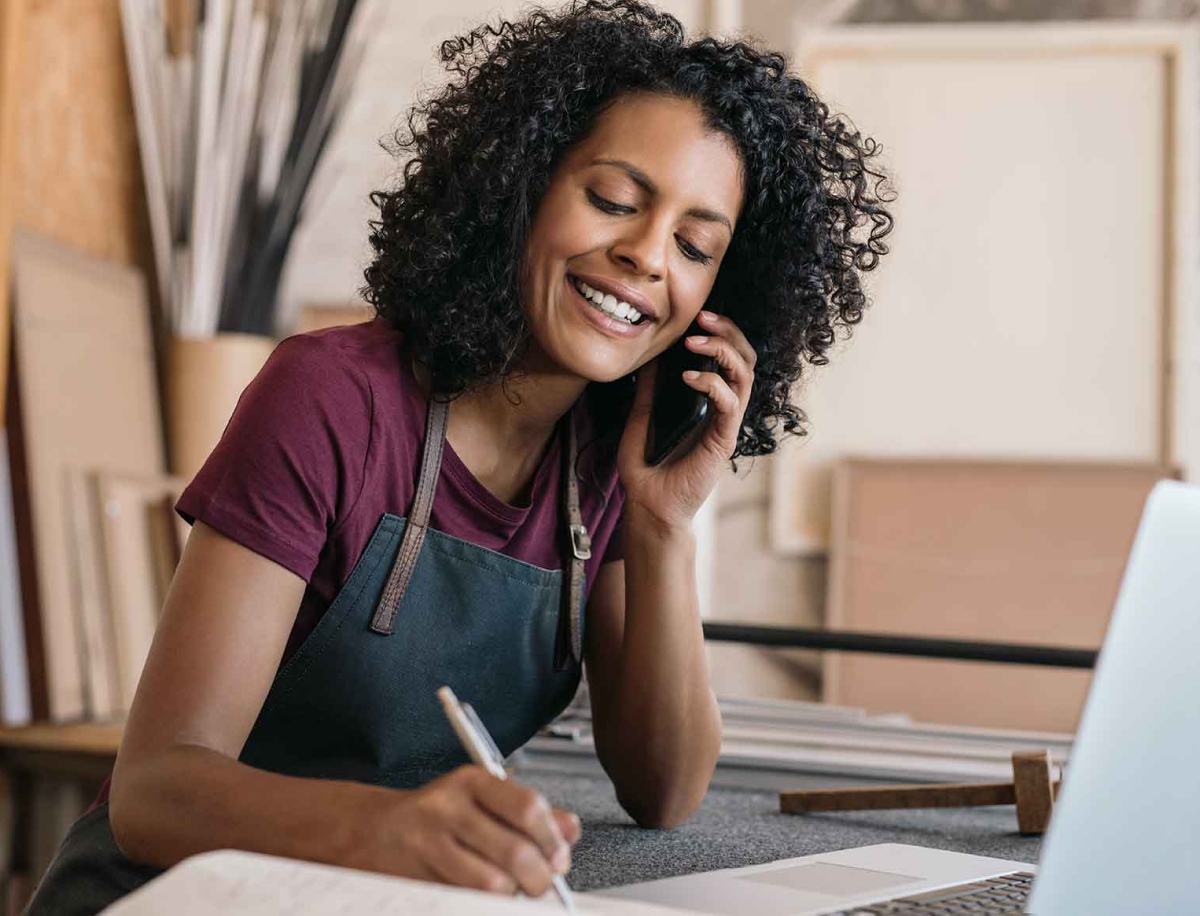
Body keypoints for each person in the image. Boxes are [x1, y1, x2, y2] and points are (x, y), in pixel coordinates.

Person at [26, 0, 894, 911]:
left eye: (695, 244)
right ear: (519, 186)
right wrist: (384, 829)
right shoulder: (331, 398)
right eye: (612, 201)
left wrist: (665, 526)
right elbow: (155, 790)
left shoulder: (599, 461)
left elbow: (664, 789)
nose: (646, 256)